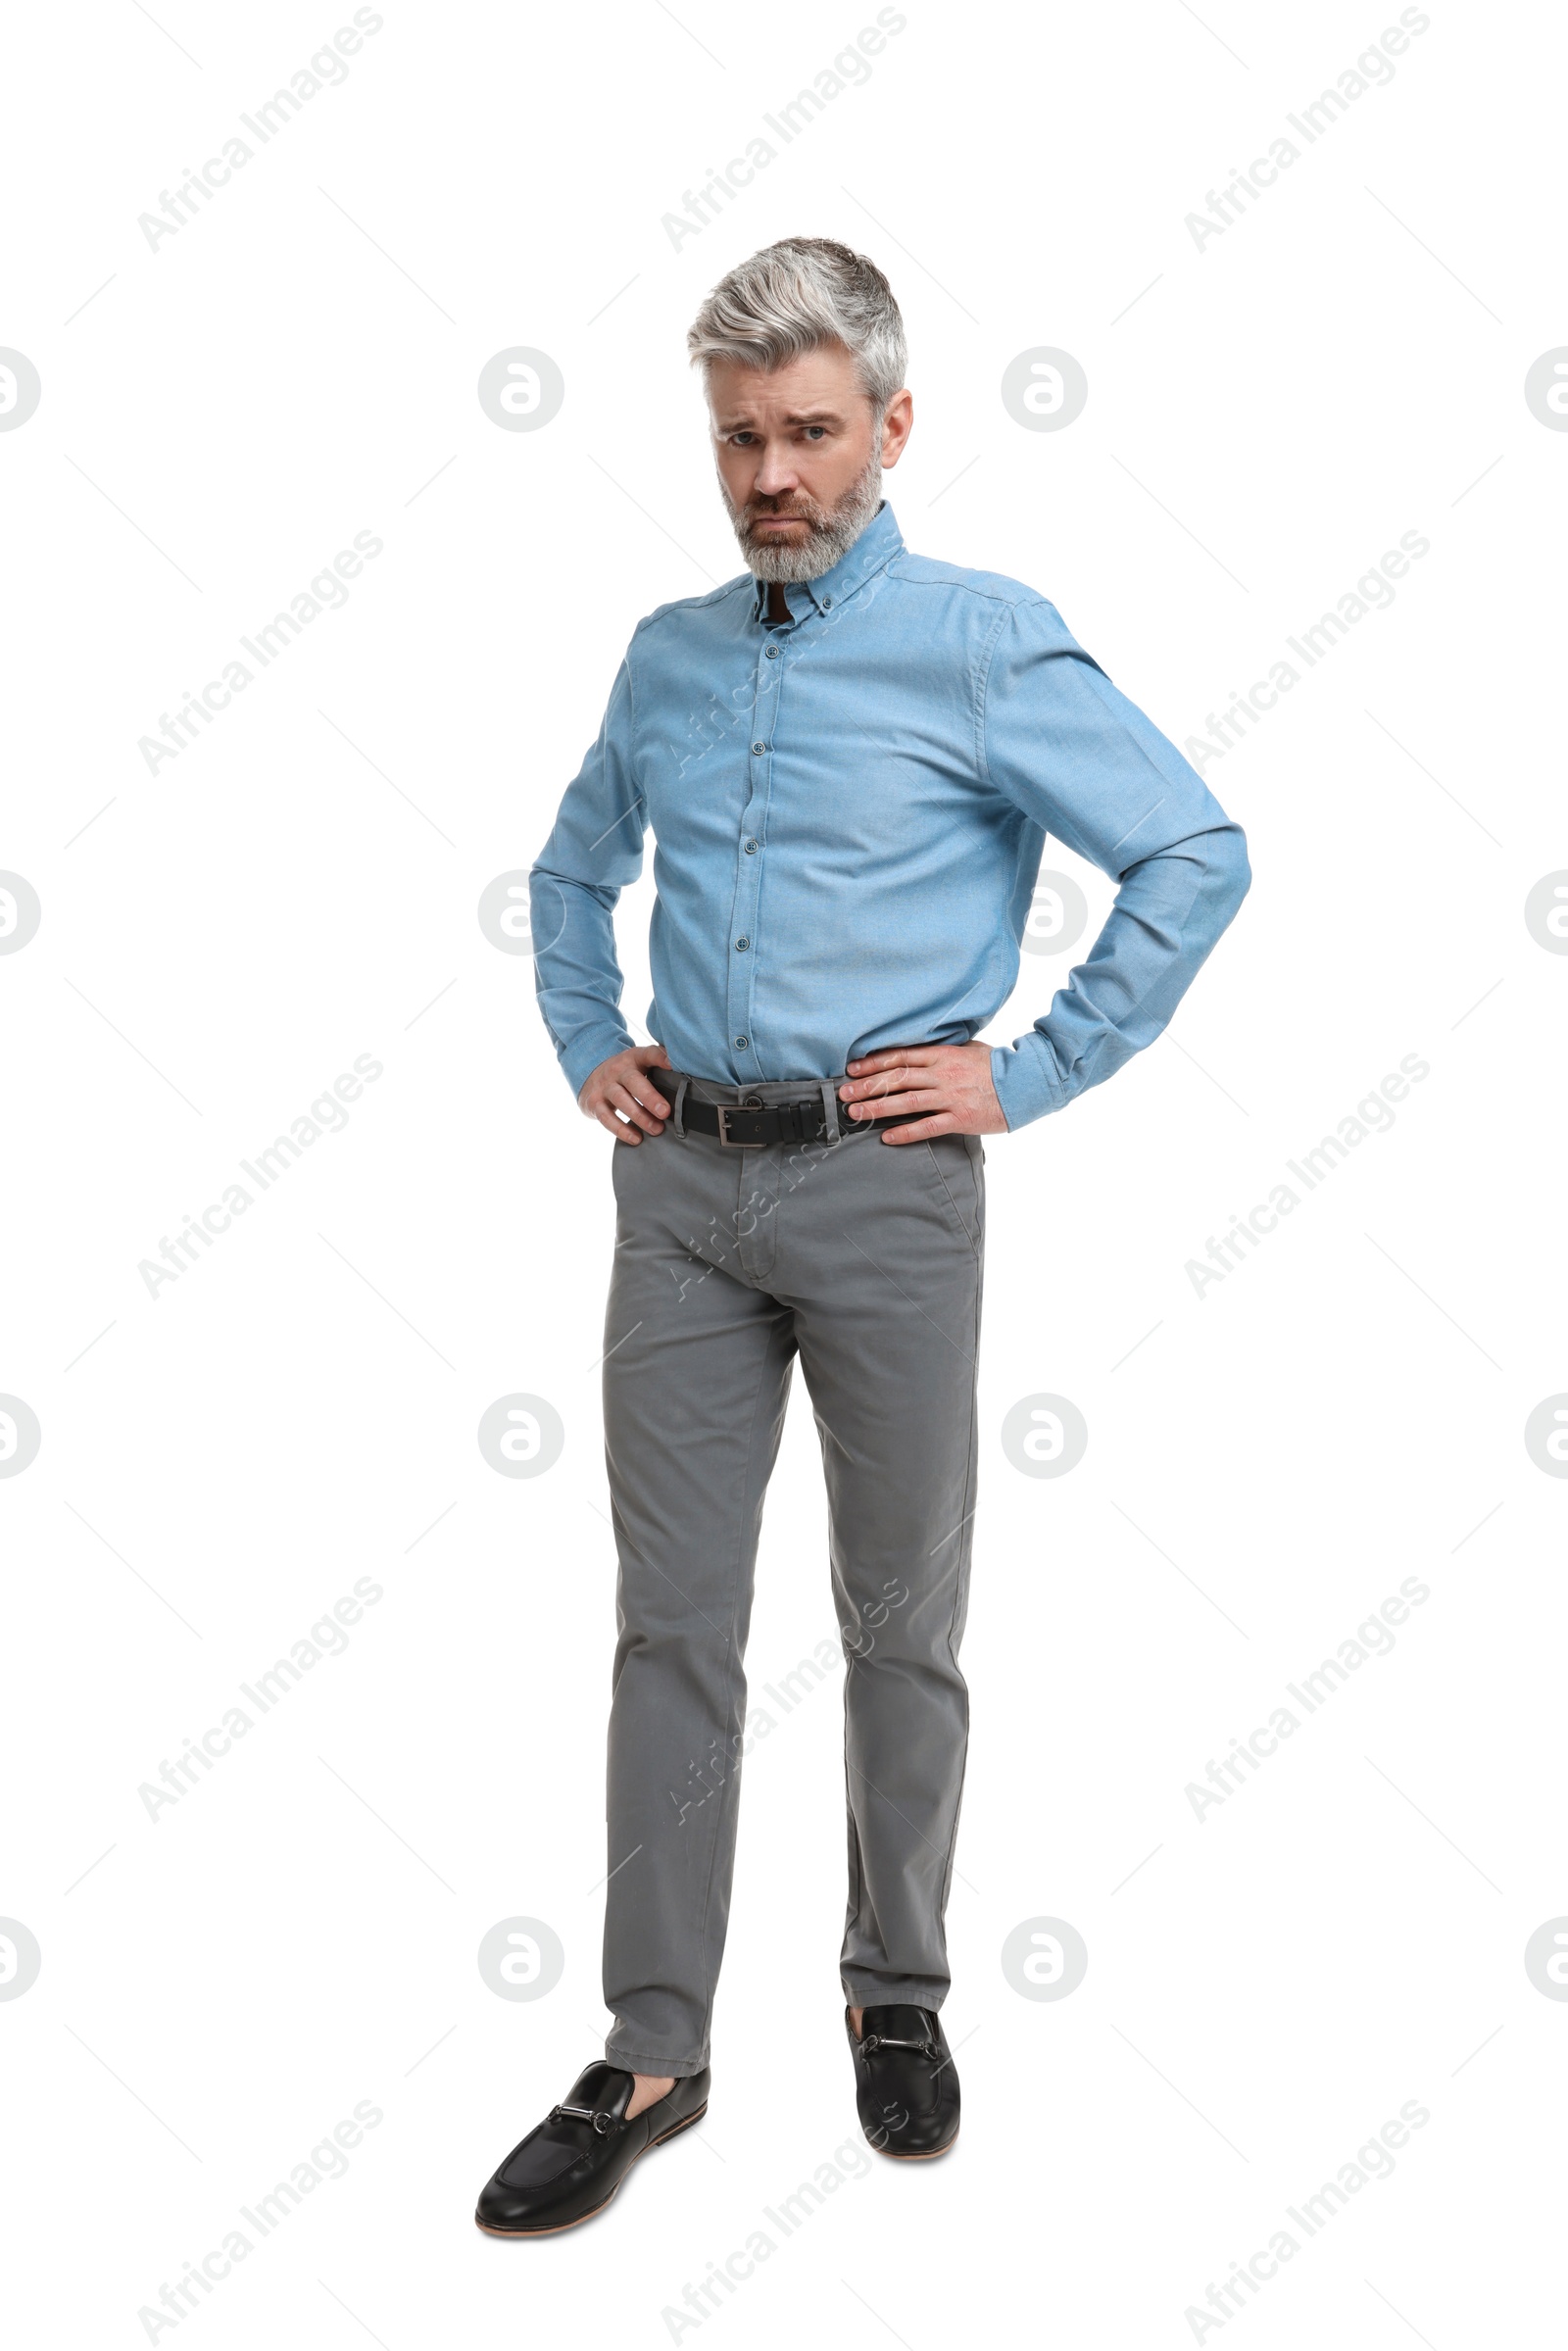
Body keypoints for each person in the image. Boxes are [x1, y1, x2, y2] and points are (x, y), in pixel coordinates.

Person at [474, 236, 1250, 2235]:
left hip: (890, 1196)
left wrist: (1035, 1067)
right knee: (671, 1630)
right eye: (740, 439)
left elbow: (1189, 846)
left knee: (899, 1625)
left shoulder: (984, 642)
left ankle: (892, 1990)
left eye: (811, 433)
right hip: (679, 1203)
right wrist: (588, 1041)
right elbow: (567, 877)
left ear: (892, 430)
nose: (772, 477)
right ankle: (654, 2046)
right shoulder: (661, 654)